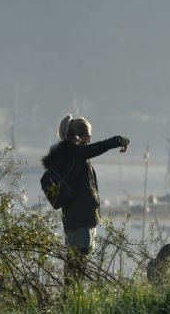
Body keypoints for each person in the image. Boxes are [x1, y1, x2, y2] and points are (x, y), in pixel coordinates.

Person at [41, 114, 129, 284]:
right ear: (78, 136)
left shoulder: (69, 154)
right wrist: (119, 140)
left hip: (76, 217)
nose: (89, 140)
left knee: (76, 261)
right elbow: (100, 147)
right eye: (88, 136)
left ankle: (71, 297)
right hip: (79, 218)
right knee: (78, 262)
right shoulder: (73, 153)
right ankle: (72, 299)